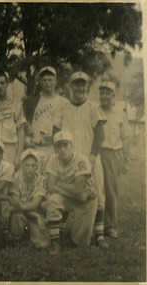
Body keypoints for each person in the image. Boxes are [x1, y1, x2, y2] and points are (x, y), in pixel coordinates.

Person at [52, 71, 109, 249]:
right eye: (76, 84)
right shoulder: (63, 107)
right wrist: (61, 157)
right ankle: (60, 231)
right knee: (66, 193)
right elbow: (55, 133)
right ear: (71, 86)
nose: (80, 88)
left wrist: (91, 157)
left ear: (87, 86)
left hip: (90, 158)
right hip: (69, 160)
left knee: (97, 194)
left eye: (83, 84)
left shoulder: (93, 107)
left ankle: (99, 235)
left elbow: (100, 134)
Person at [46, 131, 98, 255]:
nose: (62, 149)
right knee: (53, 200)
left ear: (72, 146)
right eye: (59, 146)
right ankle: (55, 242)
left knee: (79, 244)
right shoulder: (53, 159)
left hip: (87, 200)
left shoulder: (81, 160)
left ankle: (79, 234)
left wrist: (58, 183)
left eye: (66, 145)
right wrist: (72, 191)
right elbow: (50, 187)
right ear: (55, 148)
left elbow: (78, 190)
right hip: (71, 197)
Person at [98, 81, 130, 239]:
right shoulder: (95, 111)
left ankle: (110, 226)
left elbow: (126, 138)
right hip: (97, 153)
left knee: (111, 190)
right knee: (97, 189)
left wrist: (126, 160)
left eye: (107, 93)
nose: (104, 96)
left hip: (113, 154)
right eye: (102, 93)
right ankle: (96, 225)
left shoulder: (119, 114)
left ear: (113, 95)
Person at [2, 149, 50, 248]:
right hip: (21, 214)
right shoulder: (14, 178)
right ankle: (17, 239)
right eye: (27, 165)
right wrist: (36, 215)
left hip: (33, 215)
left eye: (33, 165)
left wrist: (36, 216)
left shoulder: (41, 180)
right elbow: (16, 204)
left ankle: (29, 236)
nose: (30, 168)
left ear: (37, 165)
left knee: (44, 244)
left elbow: (34, 205)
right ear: (22, 164)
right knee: (17, 215)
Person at [23, 66, 67, 170]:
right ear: (40, 82)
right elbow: (24, 124)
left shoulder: (64, 102)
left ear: (55, 81)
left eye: (50, 80)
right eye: (44, 80)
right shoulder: (31, 101)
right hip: (35, 147)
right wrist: (27, 138)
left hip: (55, 148)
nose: (47, 82)